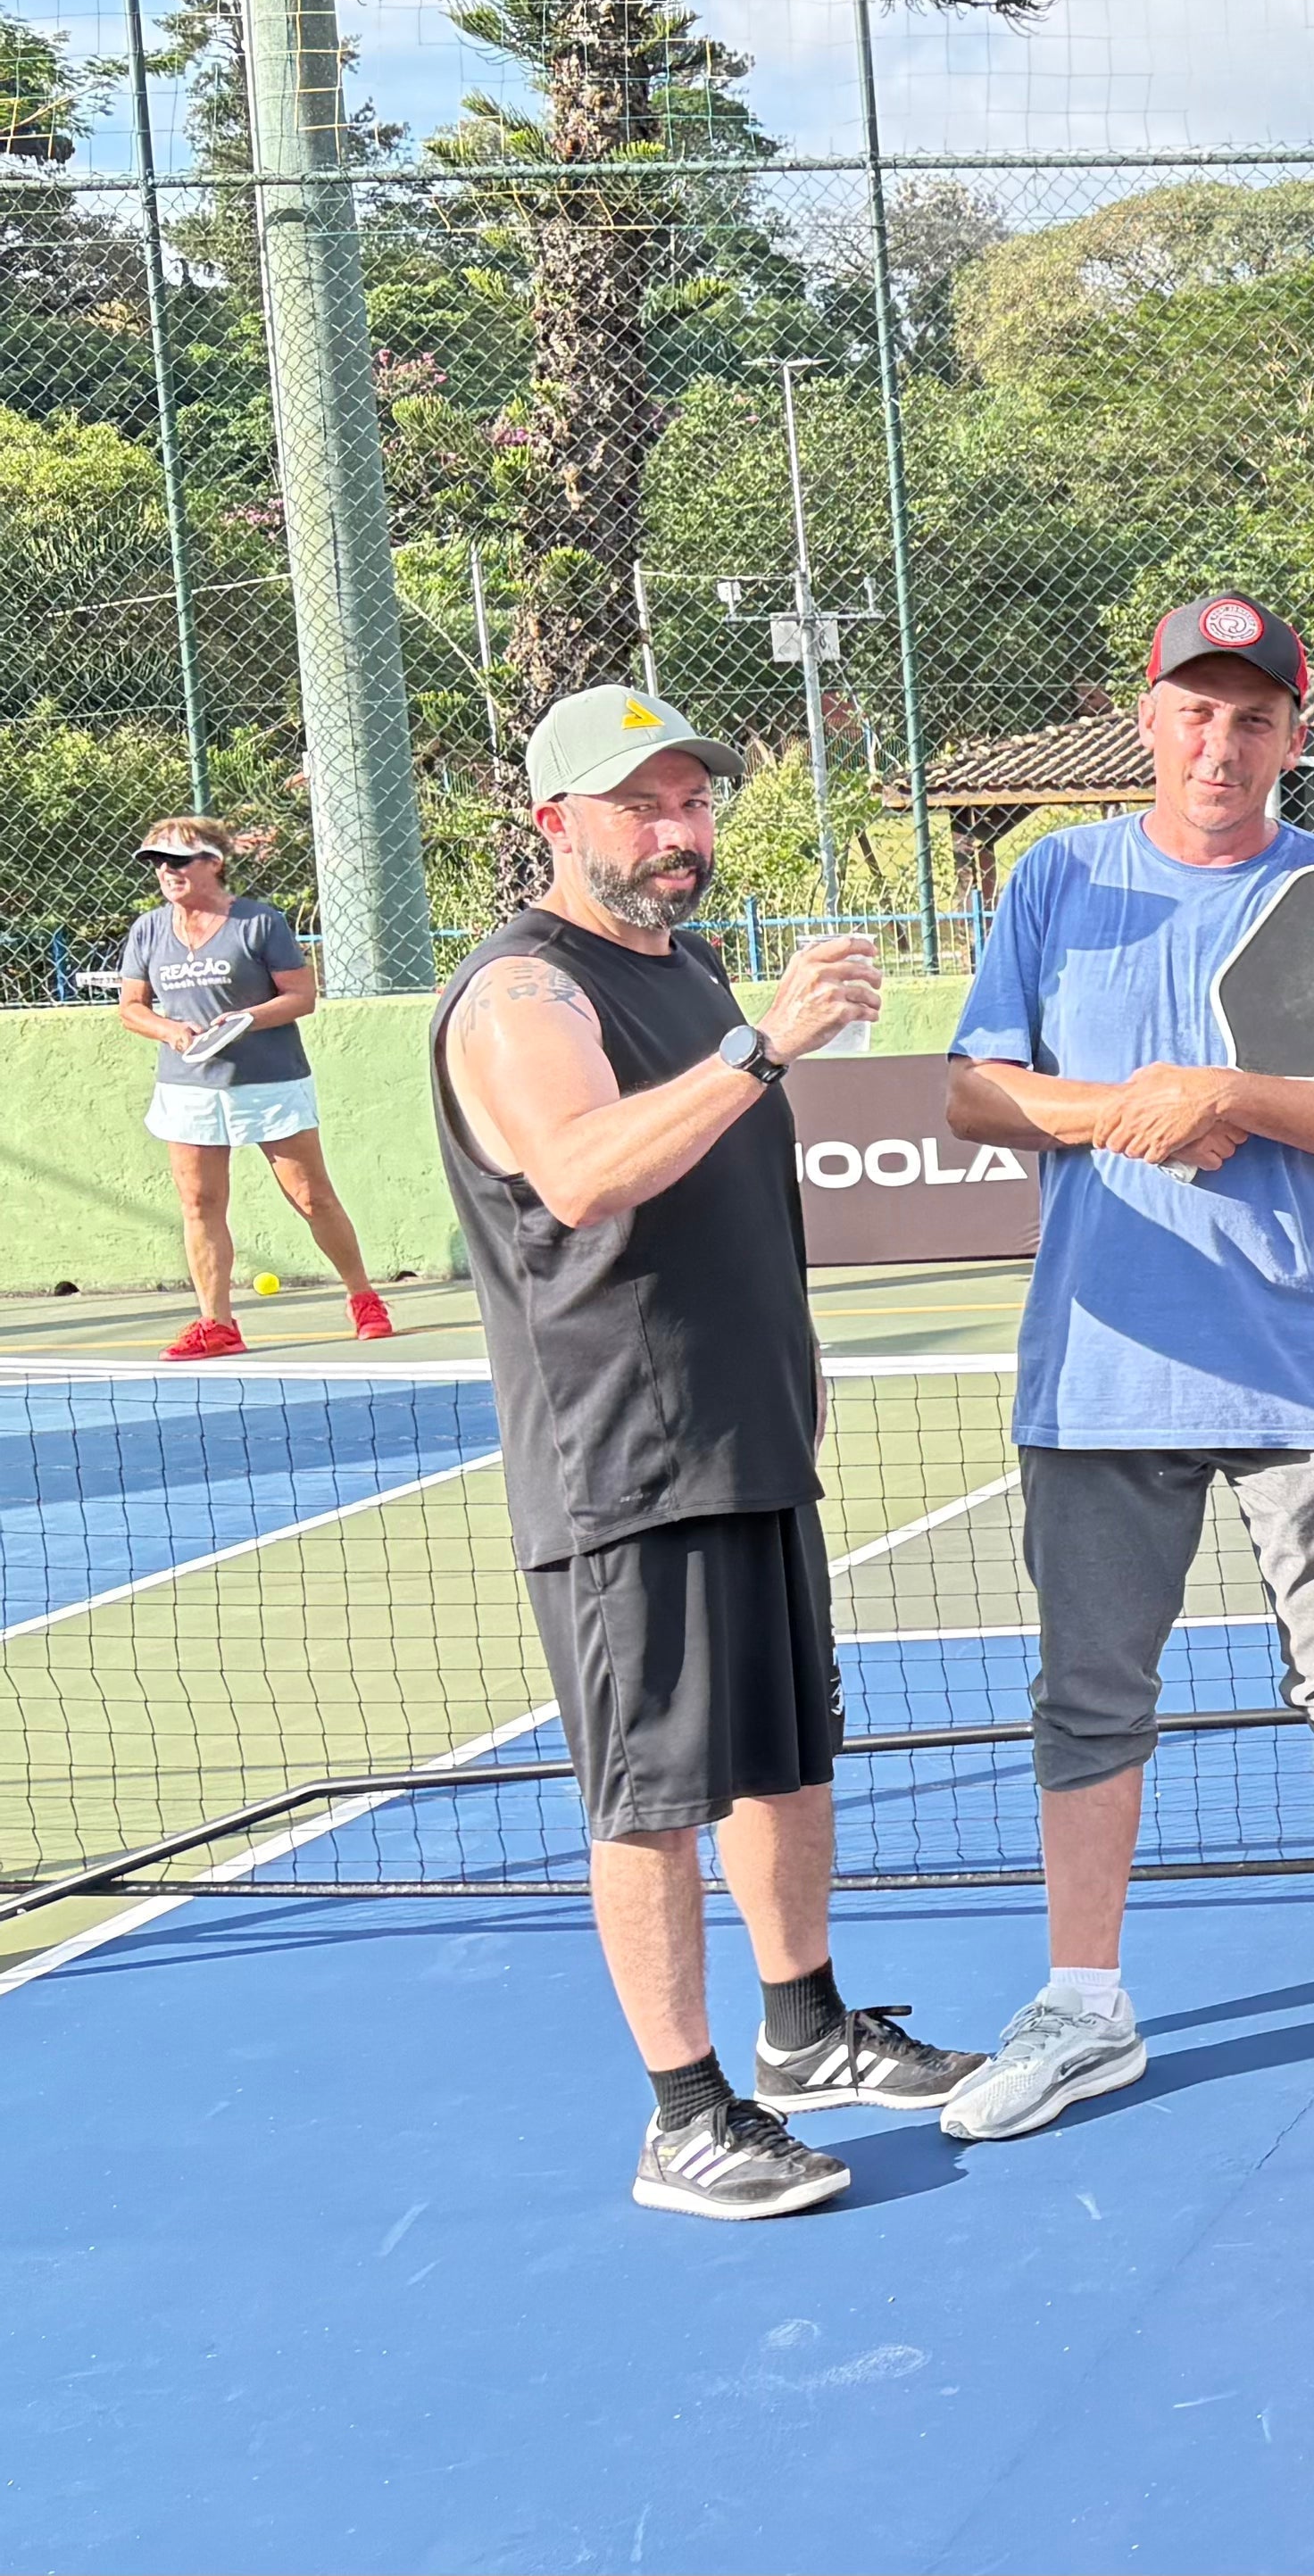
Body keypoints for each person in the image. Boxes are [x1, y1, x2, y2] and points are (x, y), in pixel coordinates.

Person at [428, 685, 982, 2219]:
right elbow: (583, 1172)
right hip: (626, 1462)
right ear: (555, 823)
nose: (681, 832)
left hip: (748, 1444)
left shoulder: (692, 972)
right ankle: (684, 2119)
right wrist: (763, 1046)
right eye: (643, 806)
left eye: (694, 801)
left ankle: (803, 2030)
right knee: (655, 1795)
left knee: (789, 1755)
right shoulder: (521, 995)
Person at [933, 594, 1314, 2140]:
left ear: (1294, 737)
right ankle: (1084, 2002)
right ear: (1148, 718)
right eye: (1194, 710)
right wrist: (1123, 1110)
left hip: (1306, 1368)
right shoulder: (1056, 877)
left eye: (1253, 717)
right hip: (1102, 1370)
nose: (1220, 742)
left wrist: (1229, 1085)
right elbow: (976, 1091)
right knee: (1088, 1701)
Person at [118, 818, 391, 1358]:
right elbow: (131, 1009)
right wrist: (172, 1031)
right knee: (200, 1202)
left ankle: (364, 1299)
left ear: (212, 863)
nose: (166, 871)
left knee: (310, 1196)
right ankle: (217, 1324)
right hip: (188, 1087)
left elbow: (300, 996)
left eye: (178, 860)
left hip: (270, 1081)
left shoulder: (259, 923)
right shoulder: (147, 930)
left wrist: (245, 1020)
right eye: (156, 862)